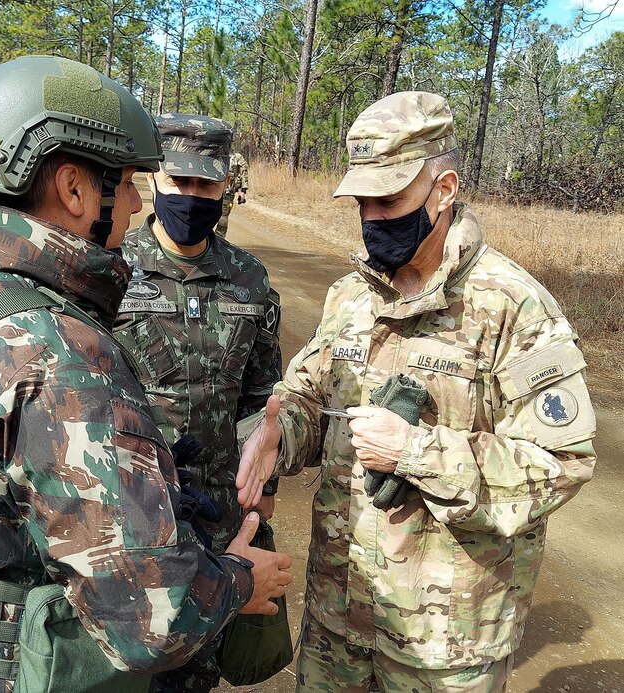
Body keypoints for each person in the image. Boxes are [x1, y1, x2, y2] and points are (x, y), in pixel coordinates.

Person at [0, 56, 291, 693]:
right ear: (75, 189)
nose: (141, 202)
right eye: (131, 183)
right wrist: (240, 577)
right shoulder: (53, 354)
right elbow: (153, 619)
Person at [235, 91, 596, 692]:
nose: (374, 217)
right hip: (340, 620)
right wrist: (281, 432)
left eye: (391, 200)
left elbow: (561, 462)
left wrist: (416, 452)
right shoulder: (352, 296)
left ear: (444, 188)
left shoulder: (512, 305)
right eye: (363, 203)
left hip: (444, 646)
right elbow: (311, 394)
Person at [113, 113, 282, 692]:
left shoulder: (248, 279)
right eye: (177, 183)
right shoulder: (111, 267)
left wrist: (264, 499)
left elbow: (262, 400)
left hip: (216, 521)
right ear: (155, 182)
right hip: (131, 517)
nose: (189, 197)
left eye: (204, 186)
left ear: (224, 187)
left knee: (196, 674)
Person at [215, 150, 249, 238]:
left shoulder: (237, 157)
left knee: (223, 217)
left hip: (227, 193)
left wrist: (243, 191)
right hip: (210, 191)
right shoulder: (214, 152)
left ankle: (219, 241)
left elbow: (244, 173)